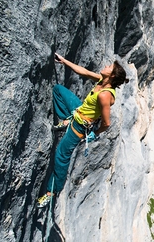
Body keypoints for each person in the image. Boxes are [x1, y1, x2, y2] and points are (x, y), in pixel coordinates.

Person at [37, 53, 128, 208]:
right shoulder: (102, 80)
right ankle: (67, 119)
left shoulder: (105, 95)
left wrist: (94, 134)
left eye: (109, 67)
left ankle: (52, 192)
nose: (105, 66)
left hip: (80, 127)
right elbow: (84, 72)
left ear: (112, 75)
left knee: (61, 155)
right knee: (58, 90)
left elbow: (106, 123)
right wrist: (64, 61)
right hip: (78, 110)